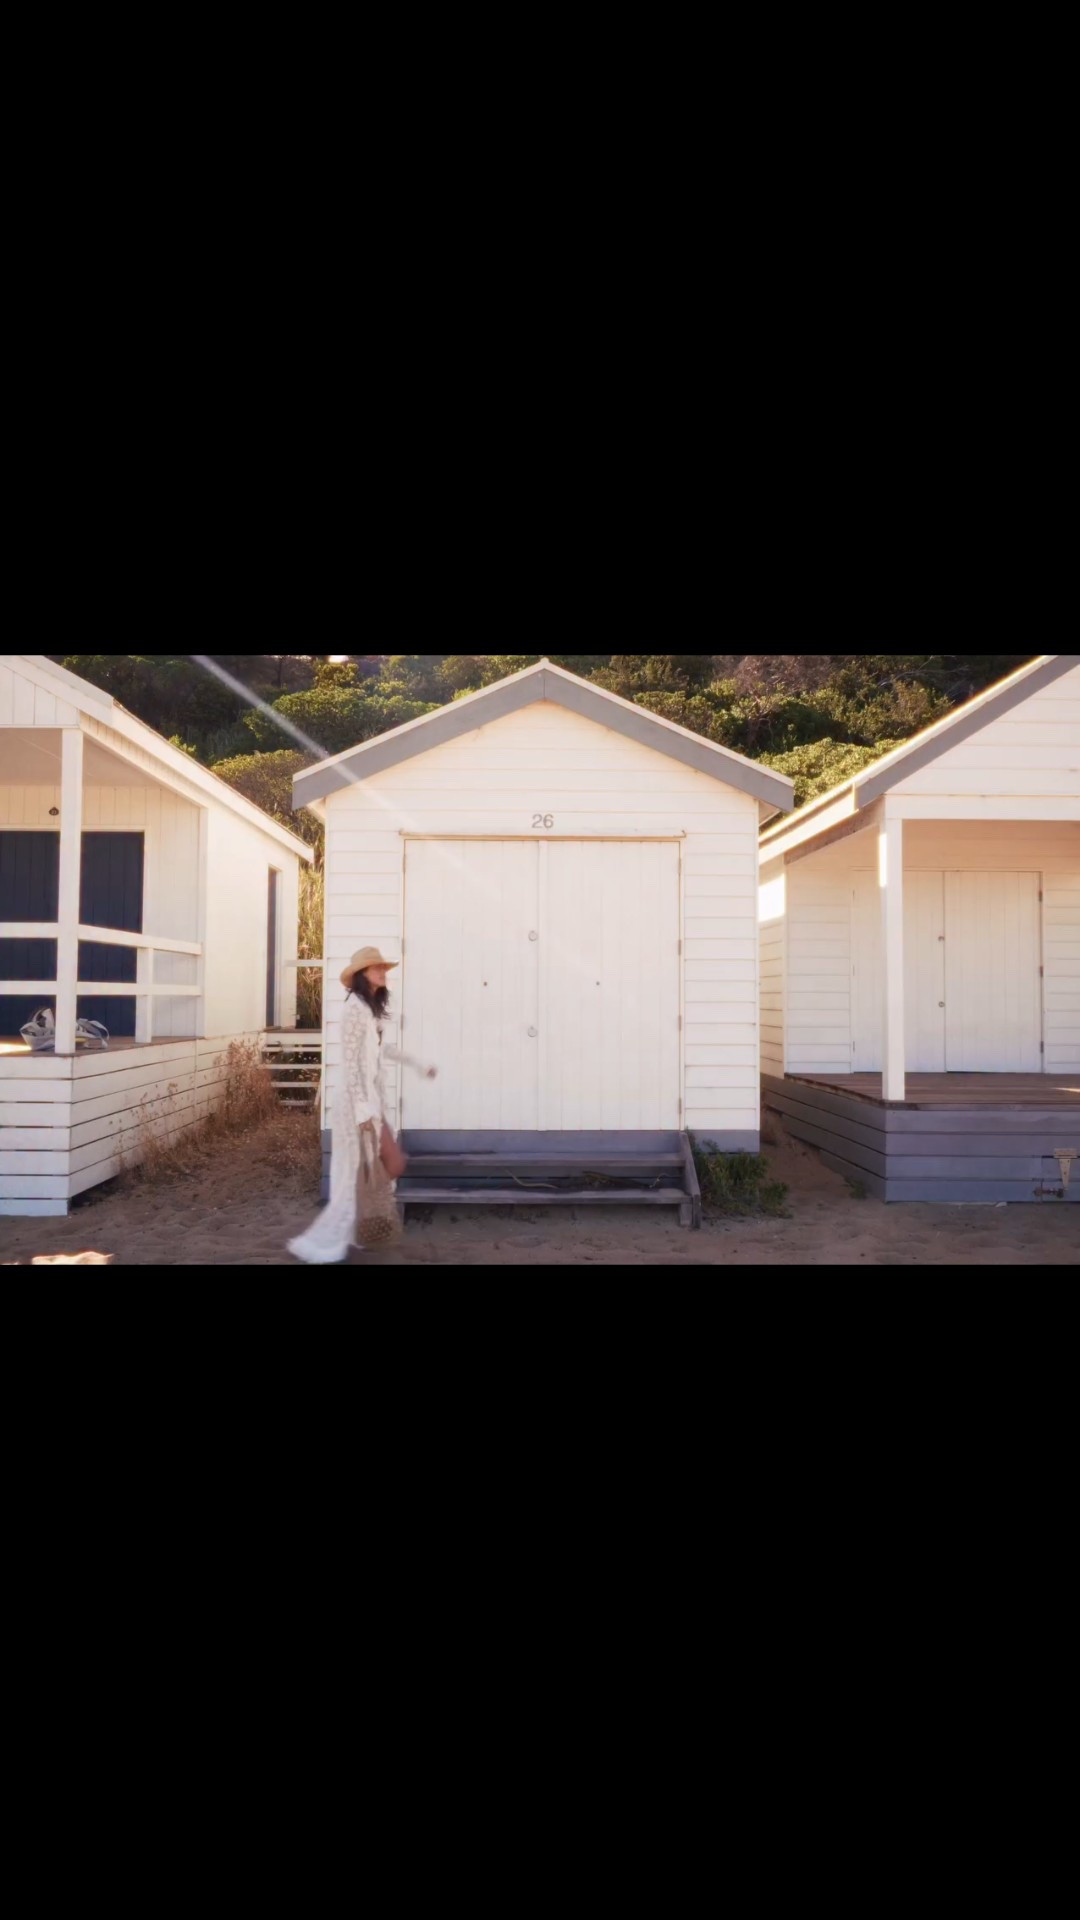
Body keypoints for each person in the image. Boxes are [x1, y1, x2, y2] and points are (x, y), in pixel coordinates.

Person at [287, 947, 437, 1264]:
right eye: (376, 968)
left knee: (382, 1166)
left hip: (372, 1099)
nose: (383, 972)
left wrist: (419, 1065)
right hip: (356, 1104)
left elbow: (385, 1051)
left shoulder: (370, 1010)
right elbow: (351, 1065)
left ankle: (363, 1231)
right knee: (370, 1168)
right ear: (362, 974)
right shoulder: (353, 1010)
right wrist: (362, 1112)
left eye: (383, 967)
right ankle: (335, 1240)